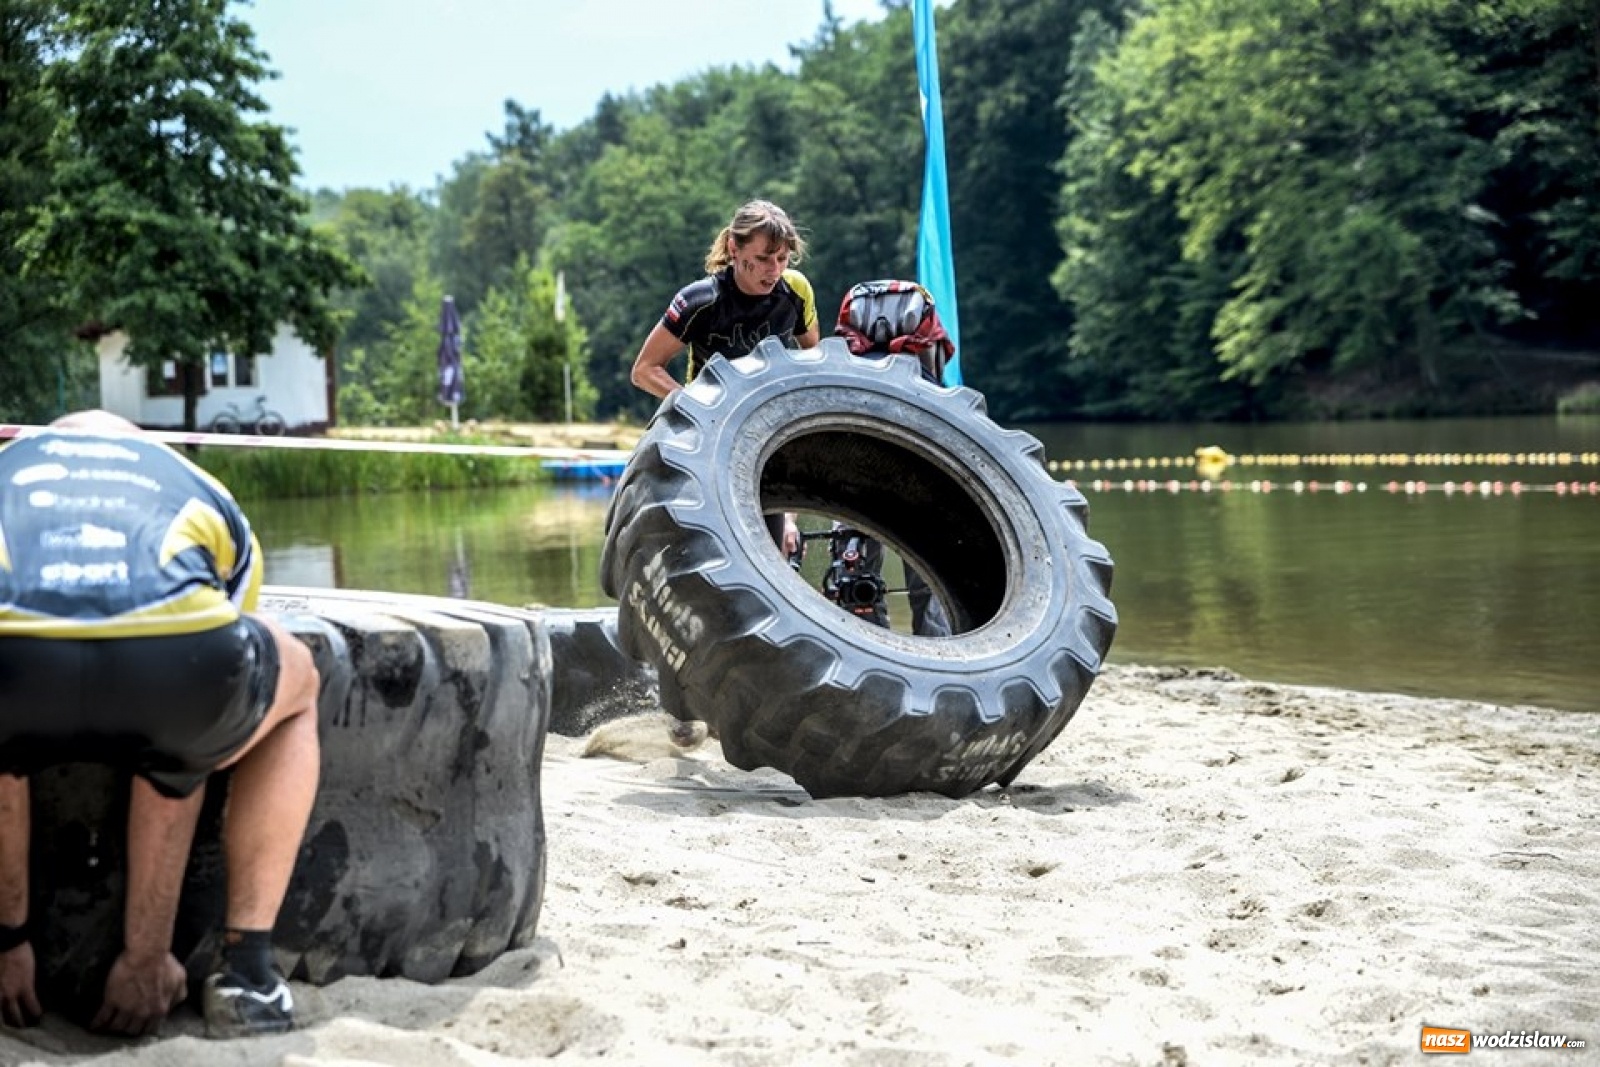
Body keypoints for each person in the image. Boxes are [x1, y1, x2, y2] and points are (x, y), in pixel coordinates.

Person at [0, 410, 321, 1040]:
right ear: (141, 447)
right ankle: (247, 977)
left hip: (14, 668)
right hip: (175, 665)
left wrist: (7, 940)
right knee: (291, 681)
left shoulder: (9, 468)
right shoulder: (190, 480)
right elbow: (223, 641)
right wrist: (146, 952)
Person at [631, 199, 821, 555]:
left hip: (766, 436)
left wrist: (791, 518)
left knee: (773, 549)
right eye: (763, 258)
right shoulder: (700, 300)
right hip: (708, 439)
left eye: (782, 259)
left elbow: (813, 368)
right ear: (734, 248)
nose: (774, 270)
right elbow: (644, 370)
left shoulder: (795, 291)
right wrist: (696, 407)